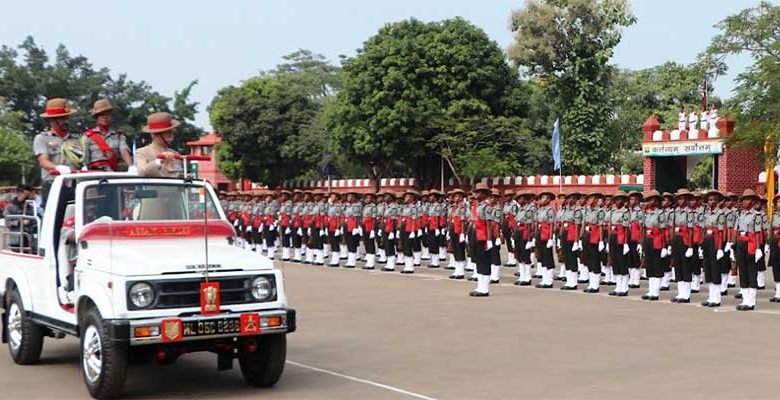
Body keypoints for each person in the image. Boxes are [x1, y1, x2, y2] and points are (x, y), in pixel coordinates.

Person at [33, 98, 84, 202]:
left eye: (67, 118)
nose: (66, 121)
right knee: (56, 217)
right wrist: (57, 168)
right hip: (54, 184)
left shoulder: (76, 139)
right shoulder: (42, 138)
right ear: (52, 120)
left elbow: (81, 159)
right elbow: (43, 161)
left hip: (75, 183)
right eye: (62, 118)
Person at [82, 99, 133, 171]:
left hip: (113, 173)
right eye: (101, 115)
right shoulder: (88, 136)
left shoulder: (119, 136)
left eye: (107, 114)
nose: (105, 117)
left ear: (111, 117)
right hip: (95, 174)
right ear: (97, 117)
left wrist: (131, 166)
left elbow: (124, 151)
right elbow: (85, 157)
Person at [135, 112, 182, 177]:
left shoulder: (175, 154)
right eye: (167, 133)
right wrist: (159, 160)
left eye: (171, 132)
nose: (171, 136)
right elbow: (142, 172)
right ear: (154, 135)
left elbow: (177, 176)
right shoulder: (142, 152)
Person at [470, 183, 492, 297]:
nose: (476, 194)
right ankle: (480, 286)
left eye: (478, 192)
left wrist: (489, 239)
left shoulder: (487, 207)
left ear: (484, 194)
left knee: (484, 261)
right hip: (475, 234)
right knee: (478, 260)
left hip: (483, 235)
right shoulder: (477, 205)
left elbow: (489, 224)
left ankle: (485, 288)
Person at [2, 184, 35, 252]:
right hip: (16, 238)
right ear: (18, 193)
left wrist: (29, 221)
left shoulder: (30, 206)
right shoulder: (10, 207)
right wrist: (20, 222)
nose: (25, 196)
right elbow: (7, 222)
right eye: (24, 194)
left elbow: (34, 219)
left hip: (28, 237)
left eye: (27, 195)